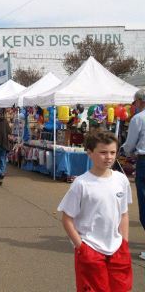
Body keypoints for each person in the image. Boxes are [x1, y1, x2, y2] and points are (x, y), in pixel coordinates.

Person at [58, 130, 132, 291]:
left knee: (120, 288)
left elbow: (124, 214)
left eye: (113, 152)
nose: (109, 157)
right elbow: (67, 218)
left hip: (117, 248)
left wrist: (124, 243)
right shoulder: (81, 184)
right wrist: (81, 247)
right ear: (90, 153)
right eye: (103, 152)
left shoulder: (121, 180)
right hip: (90, 249)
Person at [122, 88, 145, 260]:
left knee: (144, 203)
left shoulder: (139, 118)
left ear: (140, 101)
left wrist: (123, 152)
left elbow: (130, 144)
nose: (134, 105)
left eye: (135, 102)